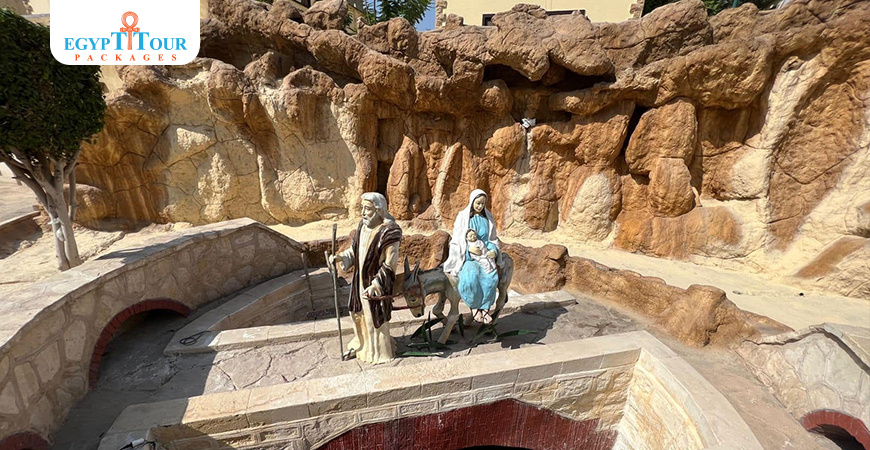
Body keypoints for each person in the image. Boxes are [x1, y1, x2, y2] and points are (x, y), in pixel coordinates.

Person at [329, 193, 402, 364]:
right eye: (362, 208)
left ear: (379, 211)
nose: (363, 212)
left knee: (374, 318)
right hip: (359, 282)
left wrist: (377, 284)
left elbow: (390, 264)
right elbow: (355, 251)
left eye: (367, 209)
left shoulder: (390, 233)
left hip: (375, 284)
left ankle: (378, 353)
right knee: (357, 313)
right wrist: (341, 257)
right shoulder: (362, 226)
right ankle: (362, 345)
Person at [443, 189, 500, 325]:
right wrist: (468, 250)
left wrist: (493, 250)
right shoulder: (463, 217)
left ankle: (485, 309)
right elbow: (457, 241)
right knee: (470, 277)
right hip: (468, 257)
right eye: (478, 203)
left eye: (483, 203)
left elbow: (492, 239)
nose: (480, 206)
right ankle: (474, 308)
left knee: (491, 277)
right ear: (472, 202)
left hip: (484, 256)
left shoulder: (487, 219)